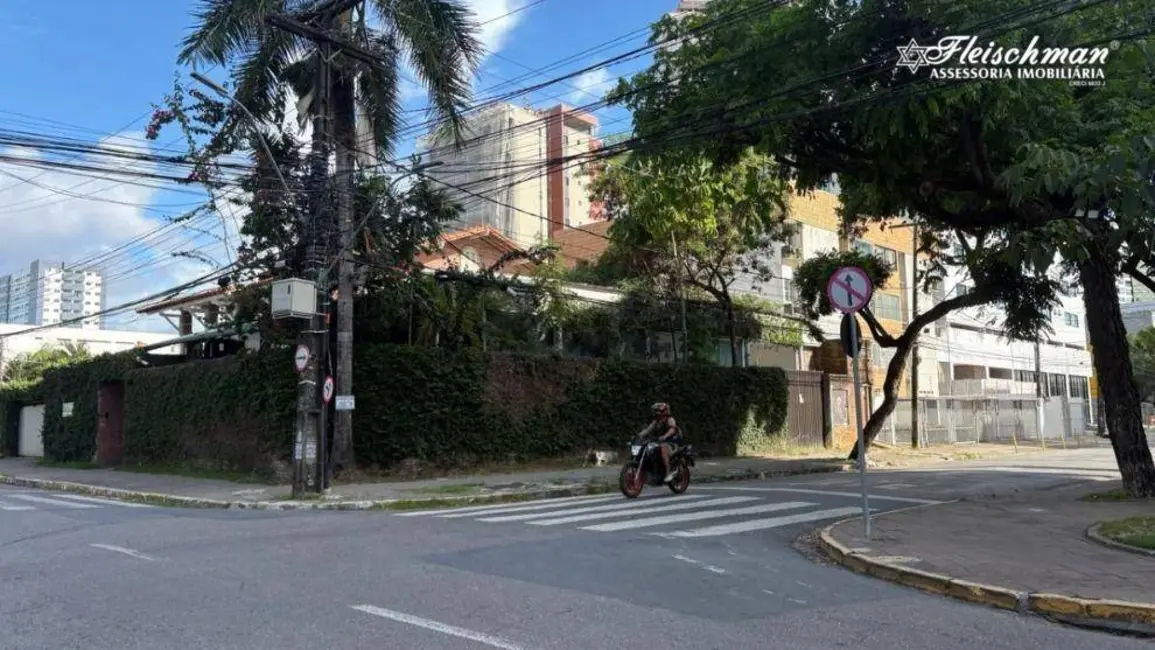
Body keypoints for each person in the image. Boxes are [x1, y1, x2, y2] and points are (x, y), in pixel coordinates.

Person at [638, 402, 682, 483]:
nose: (657, 413)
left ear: (665, 411)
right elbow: (648, 429)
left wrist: (665, 436)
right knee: (648, 449)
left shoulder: (670, 419)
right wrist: (640, 435)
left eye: (659, 411)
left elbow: (672, 429)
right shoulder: (656, 421)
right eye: (656, 411)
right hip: (660, 442)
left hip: (672, 443)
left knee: (663, 447)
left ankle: (668, 472)